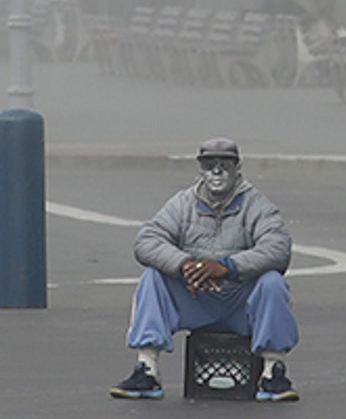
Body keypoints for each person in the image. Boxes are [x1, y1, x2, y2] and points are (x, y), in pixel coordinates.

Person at [110, 138, 299, 402]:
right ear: (200, 169)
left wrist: (227, 267)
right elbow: (146, 241)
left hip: (239, 302)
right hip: (195, 297)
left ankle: (273, 370)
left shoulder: (257, 205)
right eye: (210, 165)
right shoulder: (182, 203)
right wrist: (184, 265)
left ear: (237, 168)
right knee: (153, 278)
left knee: (272, 283)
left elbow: (278, 248)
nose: (217, 172)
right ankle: (147, 368)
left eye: (225, 165)